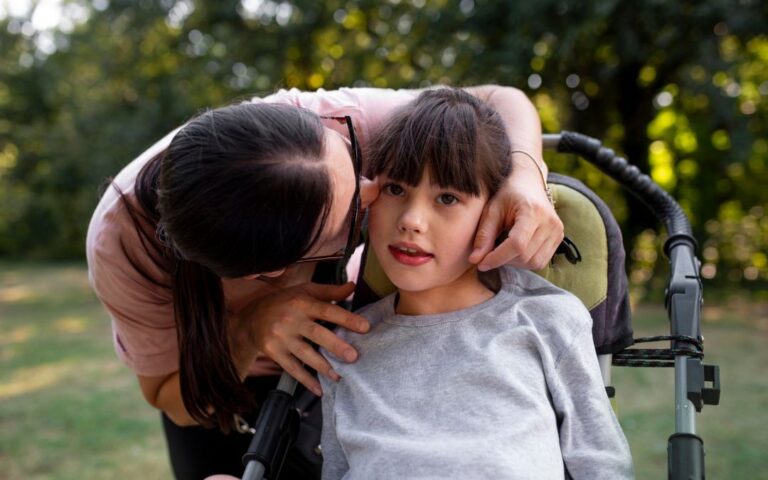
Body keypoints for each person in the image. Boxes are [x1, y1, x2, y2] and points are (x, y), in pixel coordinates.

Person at [86, 85, 563, 479]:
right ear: (274, 271)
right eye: (355, 211)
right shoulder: (122, 246)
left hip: (336, 358)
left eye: (355, 162)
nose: (375, 191)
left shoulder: (327, 125)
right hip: (222, 390)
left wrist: (526, 172)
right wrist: (251, 332)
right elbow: (168, 396)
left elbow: (499, 99)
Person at [319, 89, 634, 479]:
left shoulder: (545, 319)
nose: (412, 220)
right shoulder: (343, 349)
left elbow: (601, 464)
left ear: (495, 213)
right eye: (395, 189)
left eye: (447, 198)